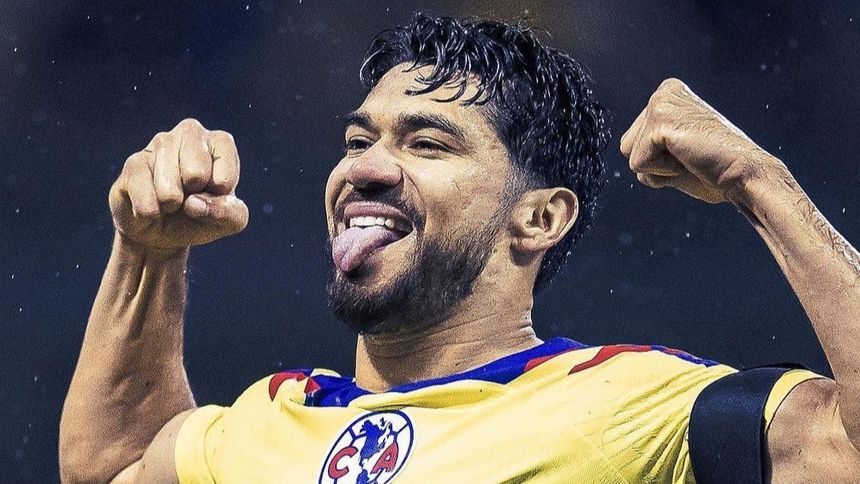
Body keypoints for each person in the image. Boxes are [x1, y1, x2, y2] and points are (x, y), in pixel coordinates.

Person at [59, 14, 860, 484]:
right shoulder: (267, 420)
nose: (364, 167)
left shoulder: (632, 406)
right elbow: (112, 466)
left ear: (539, 219)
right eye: (358, 139)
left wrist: (763, 183)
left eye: (428, 144)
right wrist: (147, 252)